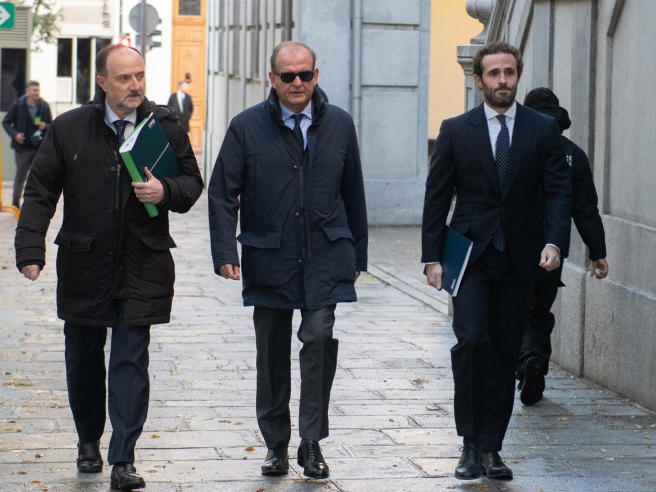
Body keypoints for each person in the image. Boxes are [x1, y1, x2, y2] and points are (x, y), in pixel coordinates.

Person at [14, 45, 203, 490]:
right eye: (124, 78)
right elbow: (40, 191)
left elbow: (193, 183)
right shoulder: (69, 128)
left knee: (130, 361)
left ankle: (123, 458)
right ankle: (87, 441)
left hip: (143, 263)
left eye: (140, 75)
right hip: (85, 262)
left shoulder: (165, 126)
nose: (135, 85)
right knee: (83, 360)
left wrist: (166, 190)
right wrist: (30, 249)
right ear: (101, 82)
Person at [208, 41, 367, 479]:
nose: (297, 82)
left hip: (326, 255)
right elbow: (222, 193)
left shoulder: (339, 124)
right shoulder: (245, 127)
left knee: (319, 339)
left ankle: (311, 442)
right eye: (287, 76)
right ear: (272, 79)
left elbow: (353, 191)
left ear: (316, 75)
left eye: (305, 74)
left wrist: (358, 253)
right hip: (269, 255)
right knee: (271, 352)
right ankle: (275, 444)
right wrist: (224, 251)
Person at [421, 42, 571, 481]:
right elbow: (437, 195)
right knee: (471, 342)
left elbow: (558, 191)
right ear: (479, 79)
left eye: (509, 72)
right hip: (469, 257)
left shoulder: (542, 129)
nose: (502, 80)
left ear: (517, 75)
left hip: (520, 258)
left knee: (505, 351)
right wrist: (431, 257)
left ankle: (492, 447)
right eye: (494, 73)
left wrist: (554, 242)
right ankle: (469, 444)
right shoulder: (456, 129)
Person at [516, 87, 608, 405]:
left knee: (519, 311)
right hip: (554, 251)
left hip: (517, 247)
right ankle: (536, 369)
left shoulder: (516, 148)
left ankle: (528, 360)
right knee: (541, 312)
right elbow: (585, 210)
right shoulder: (574, 155)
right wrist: (598, 253)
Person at [2, 81, 53, 209]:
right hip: (22, 148)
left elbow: (52, 126)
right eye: (34, 90)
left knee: (39, 176)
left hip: (38, 148)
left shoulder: (44, 106)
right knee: (20, 176)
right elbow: (6, 122)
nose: (37, 93)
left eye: (38, 90)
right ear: (28, 91)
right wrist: (15, 135)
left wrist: (45, 126)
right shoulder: (18, 105)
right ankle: (15, 203)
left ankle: (36, 203)